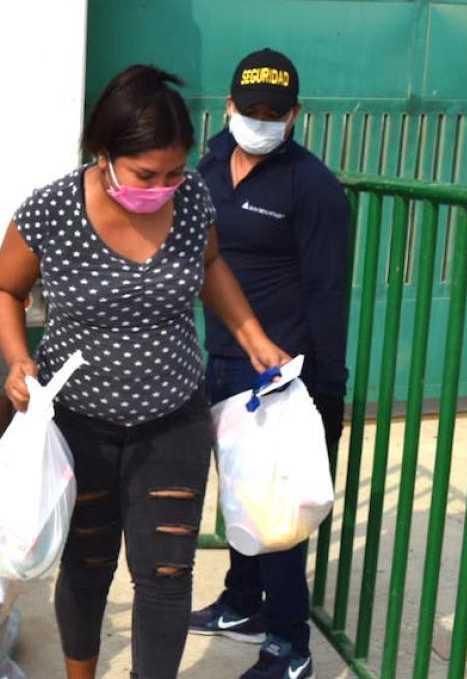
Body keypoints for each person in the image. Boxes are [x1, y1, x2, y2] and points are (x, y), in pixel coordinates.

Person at [0, 65, 290, 679]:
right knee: (87, 563)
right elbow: (1, 289)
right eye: (148, 174)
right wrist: (18, 358)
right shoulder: (51, 209)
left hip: (172, 420)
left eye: (175, 173)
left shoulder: (193, 199)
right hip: (79, 424)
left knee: (167, 573)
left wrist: (253, 335)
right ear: (105, 153)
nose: (164, 186)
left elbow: (211, 268)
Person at [189, 48, 349, 679]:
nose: (260, 120)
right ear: (228, 107)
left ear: (294, 115)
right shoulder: (206, 167)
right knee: (238, 492)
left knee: (275, 511)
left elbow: (327, 292)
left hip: (280, 375)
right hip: (222, 360)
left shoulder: (312, 187)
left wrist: (328, 389)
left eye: (273, 112)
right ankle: (241, 603)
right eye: (250, 108)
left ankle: (289, 645)